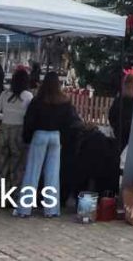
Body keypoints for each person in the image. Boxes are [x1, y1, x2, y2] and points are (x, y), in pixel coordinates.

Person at [15, 72, 78, 218]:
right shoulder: (65, 102)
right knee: (53, 174)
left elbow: (29, 121)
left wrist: (27, 137)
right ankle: (51, 210)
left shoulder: (37, 101)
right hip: (56, 136)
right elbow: (70, 123)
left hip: (39, 135)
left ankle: (24, 209)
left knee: (32, 172)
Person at [0, 69, 33, 192]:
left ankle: (1, 195)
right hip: (19, 131)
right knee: (18, 164)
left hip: (4, 130)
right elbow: (30, 116)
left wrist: (7, 116)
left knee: (0, 164)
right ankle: (14, 195)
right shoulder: (28, 96)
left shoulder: (4, 94)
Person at [108, 73, 133, 149]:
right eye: (128, 87)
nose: (129, 89)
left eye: (132, 87)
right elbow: (111, 115)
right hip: (120, 133)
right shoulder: (119, 101)